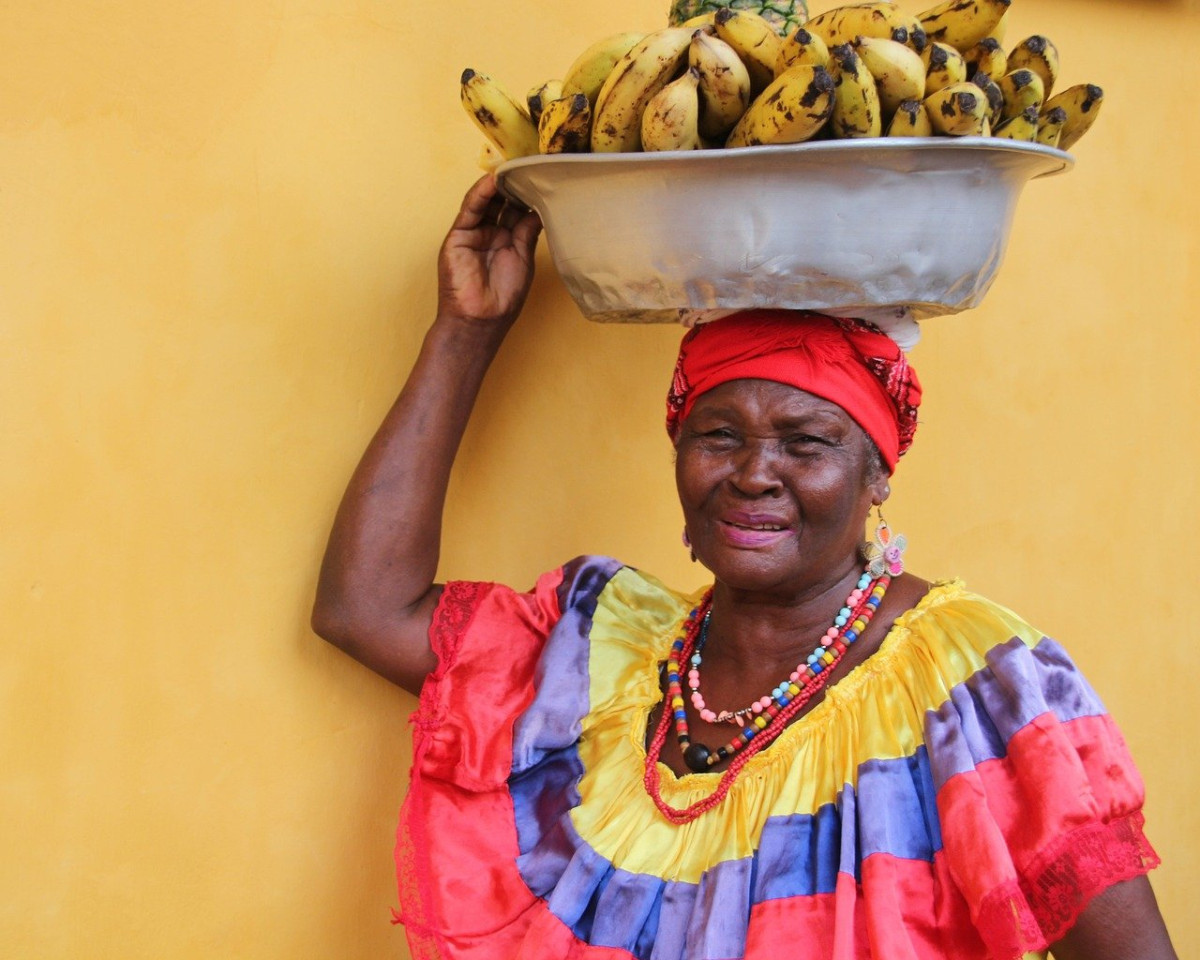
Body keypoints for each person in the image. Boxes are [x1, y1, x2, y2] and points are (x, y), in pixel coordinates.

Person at [312, 175, 1177, 960]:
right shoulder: (603, 655)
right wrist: (466, 330)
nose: (755, 472)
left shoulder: (975, 685)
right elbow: (367, 609)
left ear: (877, 474)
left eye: (807, 442)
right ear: (680, 453)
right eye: (718, 435)